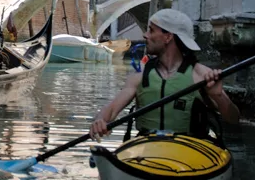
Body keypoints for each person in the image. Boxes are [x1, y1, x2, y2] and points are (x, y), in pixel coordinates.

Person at [89, 8, 240, 141]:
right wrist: (100, 120)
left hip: (189, 151)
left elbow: (233, 119)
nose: (145, 35)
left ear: (168, 37)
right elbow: (111, 109)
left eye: (151, 30)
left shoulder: (201, 75)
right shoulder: (140, 75)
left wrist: (218, 96)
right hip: (147, 148)